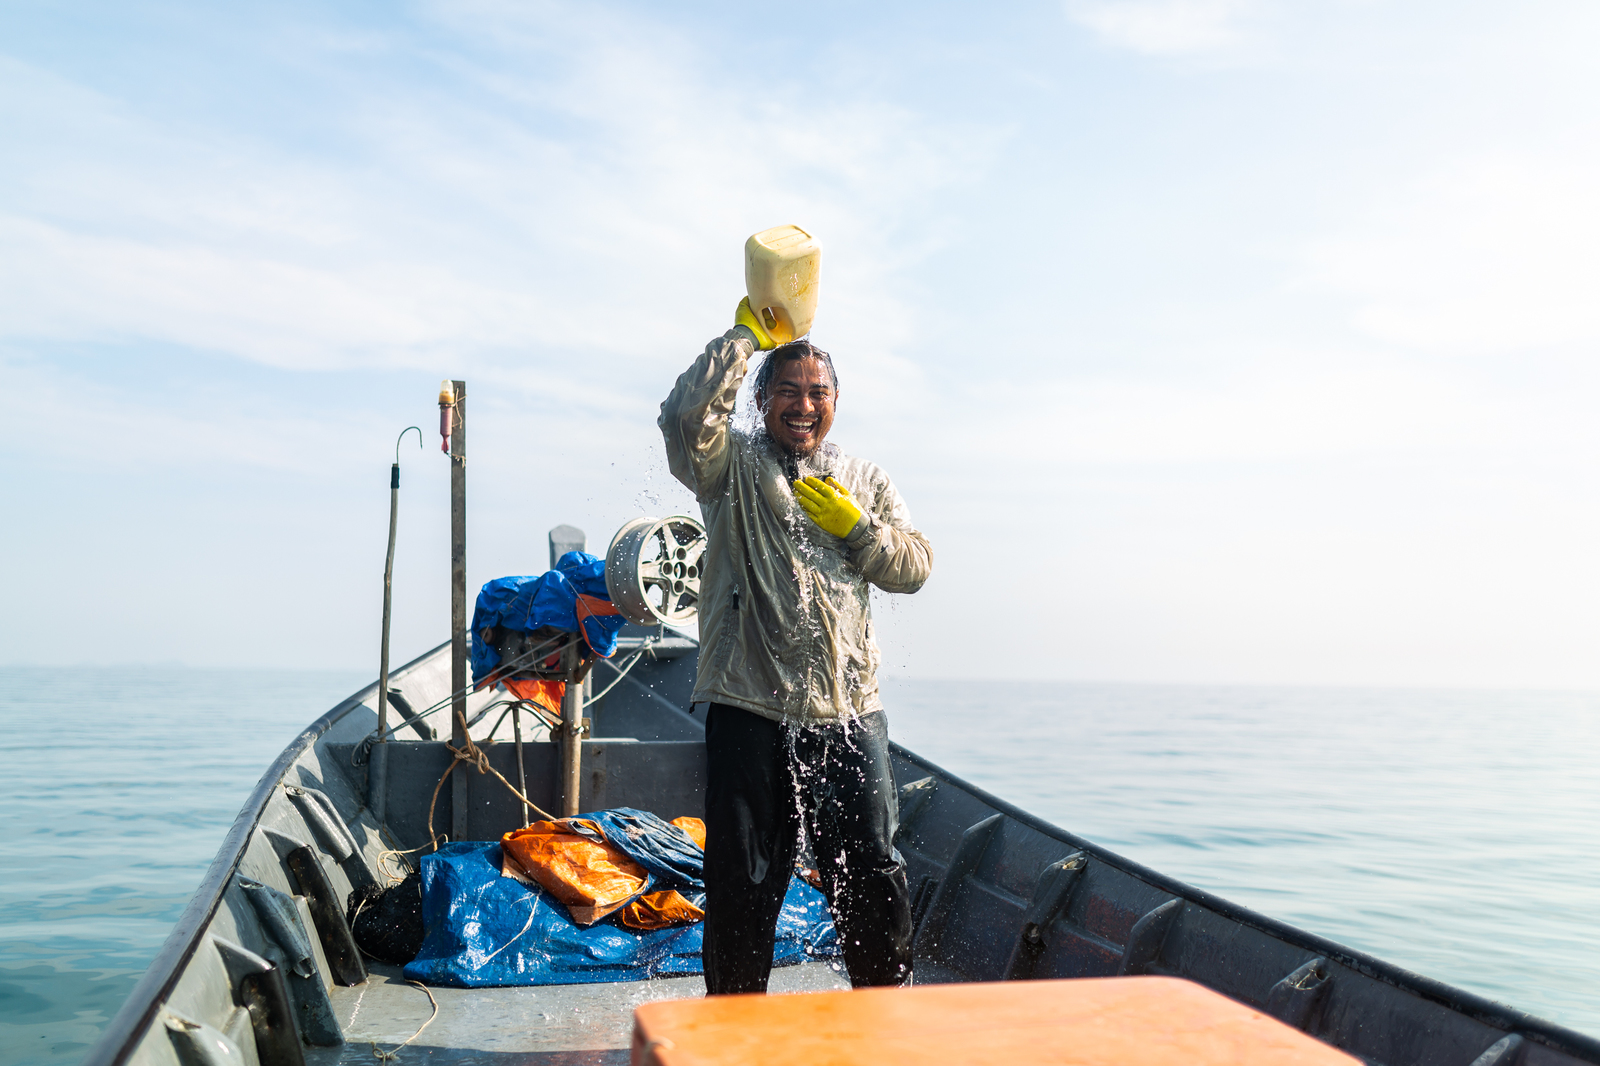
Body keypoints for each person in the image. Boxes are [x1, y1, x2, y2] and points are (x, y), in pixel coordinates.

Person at [658, 297, 934, 994]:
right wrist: (744, 337)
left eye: (819, 392)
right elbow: (684, 420)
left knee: (873, 872)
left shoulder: (865, 479)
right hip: (749, 706)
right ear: (759, 399)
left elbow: (915, 566)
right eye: (787, 391)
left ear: (836, 401)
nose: (804, 405)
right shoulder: (729, 469)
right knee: (743, 882)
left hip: (848, 713)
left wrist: (858, 530)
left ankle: (884, 1020)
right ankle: (735, 1030)